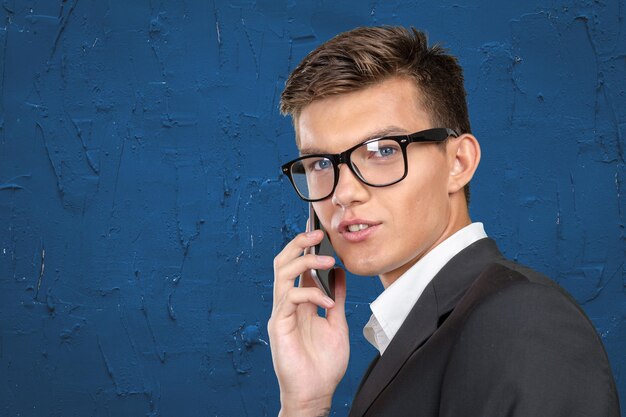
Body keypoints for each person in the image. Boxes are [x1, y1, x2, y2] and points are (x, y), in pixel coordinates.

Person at [267, 26, 620, 417]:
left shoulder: (523, 321)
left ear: (459, 163)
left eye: (382, 150)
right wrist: (305, 404)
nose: (343, 192)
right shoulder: (420, 336)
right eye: (320, 163)